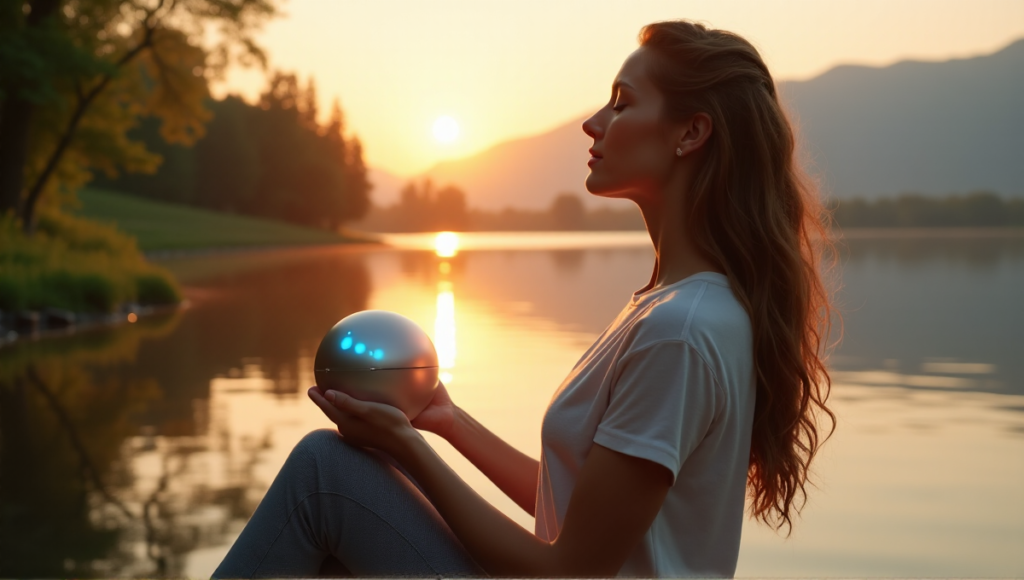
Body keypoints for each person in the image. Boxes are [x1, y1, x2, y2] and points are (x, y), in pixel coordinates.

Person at [213, 19, 836, 579]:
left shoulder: (682, 330)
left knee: (324, 474)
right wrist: (448, 423)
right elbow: (574, 509)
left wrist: (406, 448)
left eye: (622, 103)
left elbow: (570, 570)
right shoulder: (670, 307)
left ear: (691, 132)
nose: (593, 122)